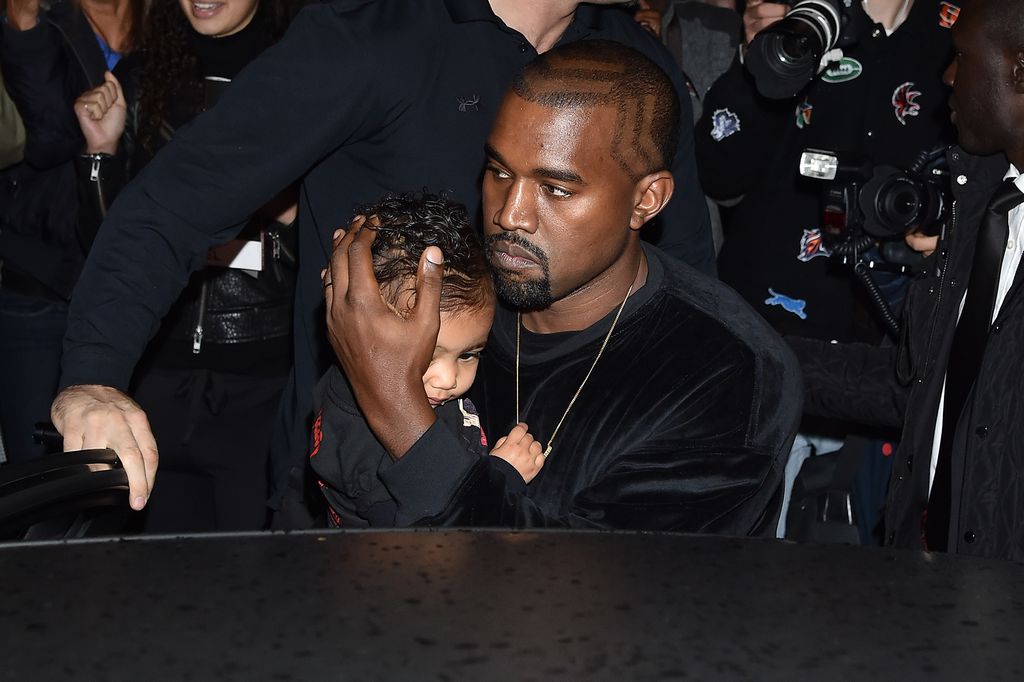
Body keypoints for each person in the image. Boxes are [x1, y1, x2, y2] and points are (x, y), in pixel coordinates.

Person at [51, 0, 716, 517]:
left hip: (551, 481)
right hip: (354, 491)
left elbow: (682, 270)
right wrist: (94, 374)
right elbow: (177, 200)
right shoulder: (376, 34)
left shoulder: (634, 67)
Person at [322, 40, 800, 531]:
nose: (511, 214)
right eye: (500, 172)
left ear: (647, 199)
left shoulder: (724, 374)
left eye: (556, 188)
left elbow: (570, 592)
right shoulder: (456, 293)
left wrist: (398, 407)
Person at [695, 0, 957, 540]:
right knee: (730, 556)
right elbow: (718, 174)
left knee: (862, 571)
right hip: (769, 329)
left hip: (897, 345)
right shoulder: (807, 17)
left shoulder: (959, 31)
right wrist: (760, 63)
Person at [792, 0, 1024, 561]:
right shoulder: (979, 203)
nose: (947, 77)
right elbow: (920, 384)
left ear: (1020, 70)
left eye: (963, 57)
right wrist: (757, 354)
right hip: (924, 568)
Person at [68, 0, 304, 531]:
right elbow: (106, 253)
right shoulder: (141, 77)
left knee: (252, 585)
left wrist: (290, 216)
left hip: (258, 383)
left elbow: (336, 247)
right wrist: (100, 154)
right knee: (153, 580)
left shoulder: (299, 79)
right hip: (157, 374)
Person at [310, 192, 544, 528]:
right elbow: (427, 540)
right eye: (428, 355)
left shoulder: (354, 381)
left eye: (468, 354)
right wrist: (500, 476)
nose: (448, 378)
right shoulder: (363, 450)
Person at [0, 0, 141, 462]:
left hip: (138, 279)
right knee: (39, 477)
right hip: (42, 278)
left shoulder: (171, 19)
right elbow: (45, 143)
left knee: (122, 474)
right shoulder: (39, 17)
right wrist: (24, 33)